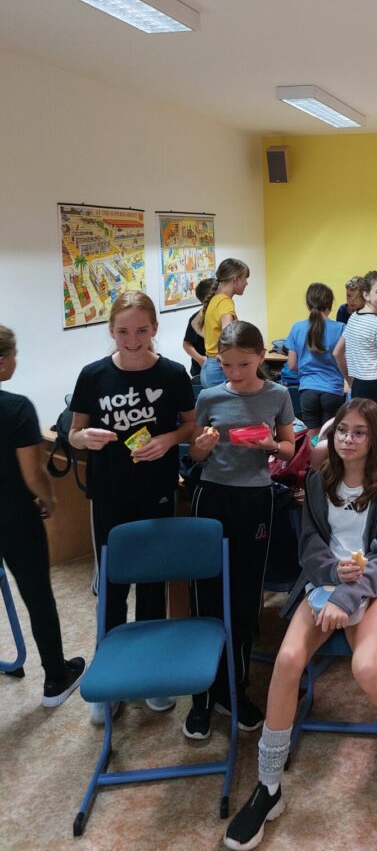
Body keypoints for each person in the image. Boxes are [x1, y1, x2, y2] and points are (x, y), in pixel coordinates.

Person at [223, 399, 377, 850]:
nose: (348, 439)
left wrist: (347, 597)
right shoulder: (318, 480)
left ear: (375, 439)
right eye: (341, 431)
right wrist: (331, 576)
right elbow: (310, 546)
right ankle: (268, 787)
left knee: (366, 667)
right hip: (323, 584)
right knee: (287, 662)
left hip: (373, 590)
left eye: (359, 432)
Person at [68, 292, 196, 723]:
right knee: (113, 585)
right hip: (108, 491)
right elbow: (74, 432)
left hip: (155, 490)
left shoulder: (173, 373)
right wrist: (84, 439)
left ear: (155, 328)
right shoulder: (93, 375)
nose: (133, 339)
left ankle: (151, 675)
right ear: (111, 331)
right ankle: (111, 678)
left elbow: (190, 424)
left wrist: (169, 439)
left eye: (142, 330)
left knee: (153, 583)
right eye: (123, 331)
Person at [184, 322, 296, 739]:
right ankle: (201, 696)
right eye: (226, 365)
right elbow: (196, 453)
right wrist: (201, 447)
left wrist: (270, 447)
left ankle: (235, 689)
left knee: (246, 598)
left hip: (256, 498)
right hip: (212, 496)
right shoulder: (210, 396)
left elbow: (289, 447)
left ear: (261, 356)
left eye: (244, 365)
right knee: (205, 596)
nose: (234, 373)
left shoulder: (278, 395)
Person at [0, 326, 85, 707]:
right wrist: (48, 500)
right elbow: (32, 474)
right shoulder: (16, 408)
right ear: (2, 361)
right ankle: (55, 678)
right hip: (16, 516)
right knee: (37, 596)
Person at [333, 271, 377, 417]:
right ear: (366, 295)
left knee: (361, 426)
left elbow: (337, 353)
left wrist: (350, 381)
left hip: (358, 385)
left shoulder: (353, 318)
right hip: (375, 387)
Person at [286, 283, 345, 440]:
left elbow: (292, 365)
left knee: (313, 440)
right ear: (330, 304)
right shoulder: (341, 328)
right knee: (330, 440)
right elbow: (346, 362)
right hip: (333, 390)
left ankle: (314, 458)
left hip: (307, 390)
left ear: (308, 303)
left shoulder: (297, 328)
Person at [200, 258, 250, 387]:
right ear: (236, 279)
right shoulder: (225, 302)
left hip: (208, 366)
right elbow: (228, 335)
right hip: (219, 368)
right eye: (245, 278)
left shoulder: (214, 299)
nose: (247, 283)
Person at [182, 276, 218, 377]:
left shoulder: (223, 315)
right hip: (202, 371)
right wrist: (200, 359)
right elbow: (186, 344)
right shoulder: (197, 319)